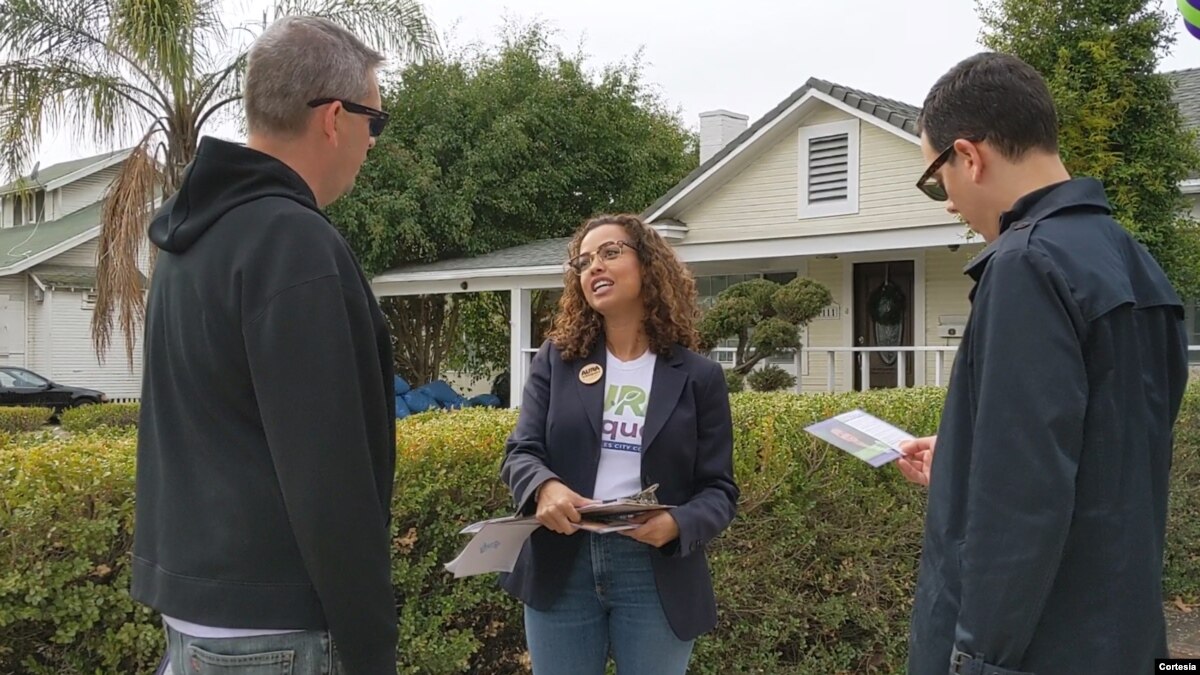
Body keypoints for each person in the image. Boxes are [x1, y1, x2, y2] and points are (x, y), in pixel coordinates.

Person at [898, 51, 1190, 675]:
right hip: (1122, 632)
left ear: (968, 157)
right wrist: (965, 459)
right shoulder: (1134, 262)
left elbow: (1021, 503)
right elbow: (1104, 454)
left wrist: (978, 660)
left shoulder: (1025, 265)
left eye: (937, 178)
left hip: (1037, 648)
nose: (947, 202)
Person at [131, 16, 399, 675]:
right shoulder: (292, 242)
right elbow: (327, 467)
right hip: (277, 630)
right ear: (333, 118)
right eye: (374, 121)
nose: (372, 143)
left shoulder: (190, 243)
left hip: (200, 613)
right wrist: (371, 646)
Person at [499, 213, 739, 675]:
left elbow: (719, 490)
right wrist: (545, 488)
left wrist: (676, 523)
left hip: (655, 570)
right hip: (563, 563)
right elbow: (521, 451)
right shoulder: (557, 361)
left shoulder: (700, 378)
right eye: (584, 262)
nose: (594, 267)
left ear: (648, 265)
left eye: (610, 253)